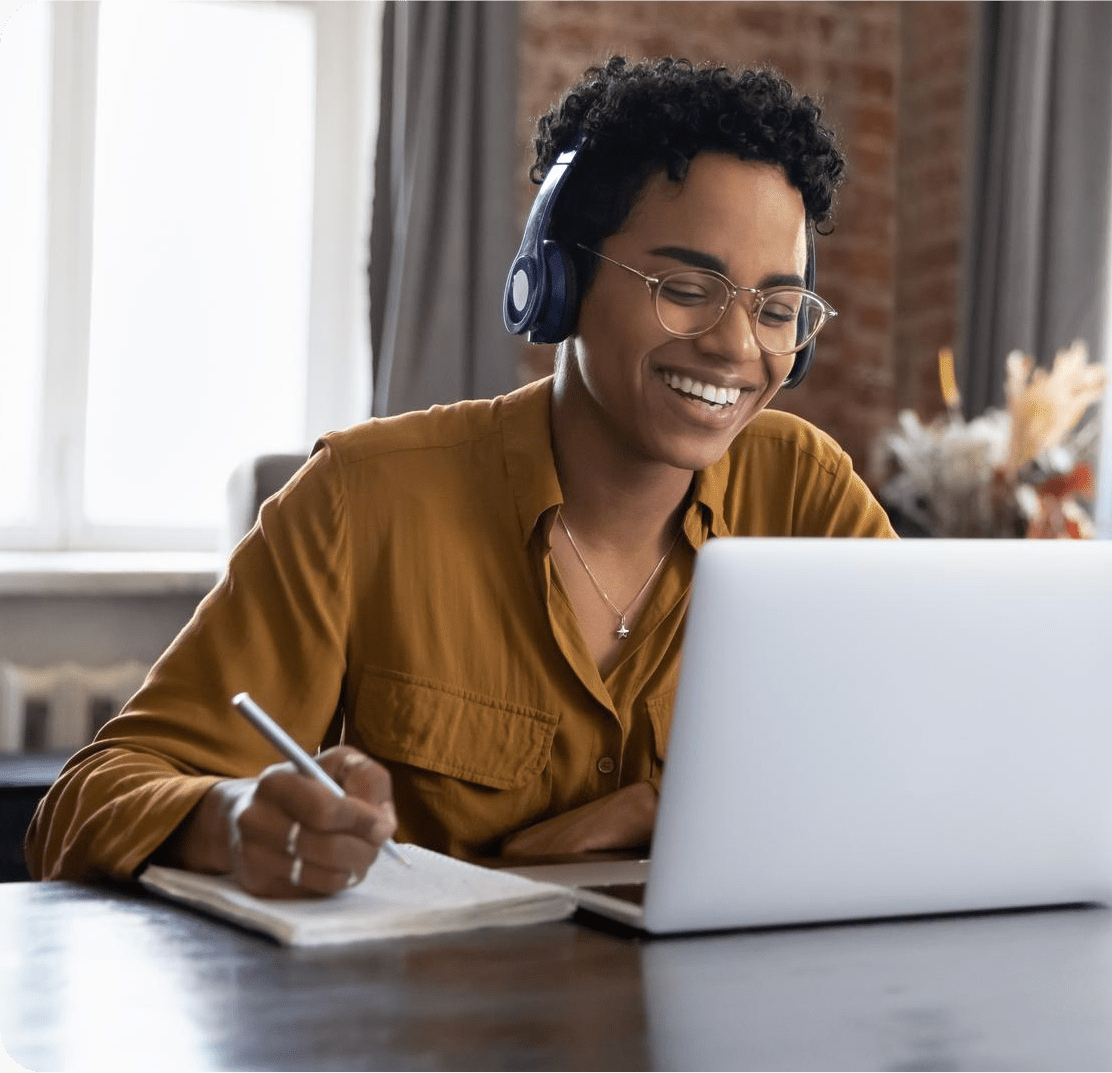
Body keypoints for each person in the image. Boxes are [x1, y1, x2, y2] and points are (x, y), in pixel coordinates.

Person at [26, 56, 895, 896]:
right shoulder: (360, 499)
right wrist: (237, 814)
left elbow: (925, 756)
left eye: (778, 309)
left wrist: (676, 811)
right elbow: (87, 800)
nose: (739, 348)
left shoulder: (807, 494)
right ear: (557, 280)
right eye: (686, 286)